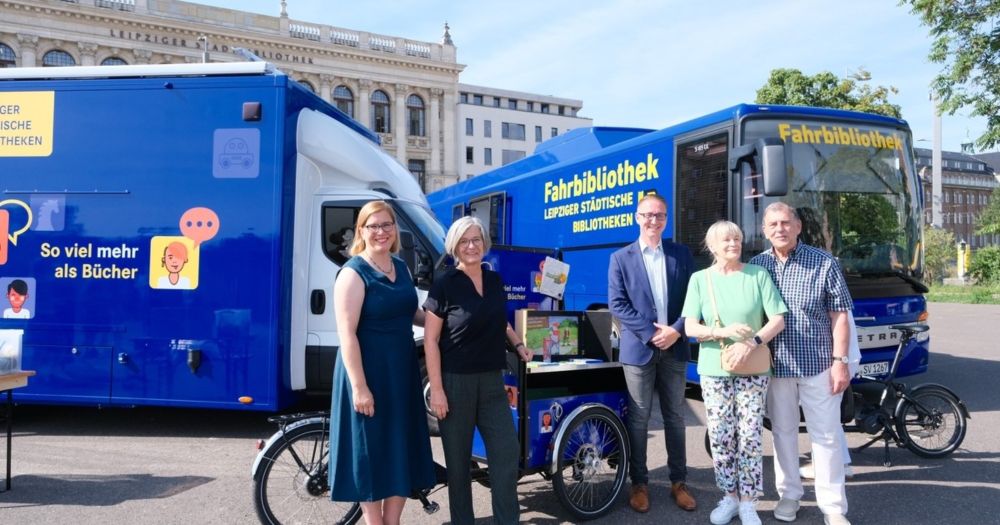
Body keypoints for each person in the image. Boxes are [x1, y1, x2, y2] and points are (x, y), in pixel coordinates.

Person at [328, 200, 436, 525]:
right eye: (373, 226)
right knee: (371, 453)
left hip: (400, 372)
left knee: (399, 447)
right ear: (361, 231)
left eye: (386, 224)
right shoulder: (353, 272)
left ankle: (393, 522)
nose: (381, 231)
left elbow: (411, 313)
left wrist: (447, 319)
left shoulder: (400, 267)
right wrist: (360, 387)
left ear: (395, 229)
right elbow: (346, 334)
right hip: (368, 372)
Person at [423, 215, 533, 525]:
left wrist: (518, 345)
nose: (471, 246)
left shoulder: (494, 280)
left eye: (476, 239)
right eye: (464, 241)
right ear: (455, 246)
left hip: (491, 382)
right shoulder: (445, 283)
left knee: (506, 455)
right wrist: (438, 390)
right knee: (458, 467)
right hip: (455, 383)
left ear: (484, 244)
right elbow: (431, 341)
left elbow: (500, 321)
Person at [748, 202, 854, 525]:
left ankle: (833, 507)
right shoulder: (756, 266)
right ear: (764, 231)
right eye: (772, 224)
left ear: (798, 227)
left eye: (785, 222)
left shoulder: (823, 263)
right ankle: (789, 495)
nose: (779, 229)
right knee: (782, 433)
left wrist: (841, 361)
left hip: (819, 364)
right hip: (777, 368)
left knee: (826, 435)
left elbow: (840, 317)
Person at [681, 221, 787, 525]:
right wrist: (722, 331)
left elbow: (777, 319)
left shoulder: (758, 275)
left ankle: (748, 501)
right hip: (715, 370)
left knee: (750, 434)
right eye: (726, 240)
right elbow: (690, 327)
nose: (734, 244)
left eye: (738, 238)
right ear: (712, 246)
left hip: (754, 367)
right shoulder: (701, 280)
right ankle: (728, 496)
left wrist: (751, 342)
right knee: (721, 436)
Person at [608, 192, 697, 514]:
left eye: (659, 215)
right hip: (639, 349)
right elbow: (617, 304)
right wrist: (651, 333)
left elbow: (694, 299)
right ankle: (639, 483)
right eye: (647, 215)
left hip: (675, 346)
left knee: (675, 416)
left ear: (666, 219)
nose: (653, 221)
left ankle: (679, 482)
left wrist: (676, 329)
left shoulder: (681, 254)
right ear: (637, 217)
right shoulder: (621, 258)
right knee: (639, 418)